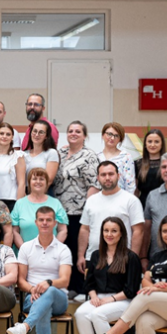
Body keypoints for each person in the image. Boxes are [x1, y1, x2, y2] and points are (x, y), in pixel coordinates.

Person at [7, 207, 72, 334]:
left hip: (58, 298)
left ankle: (25, 327)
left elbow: (64, 280)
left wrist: (48, 284)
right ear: (35, 222)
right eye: (41, 220)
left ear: (55, 223)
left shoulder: (63, 249)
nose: (45, 223)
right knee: (44, 307)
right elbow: (21, 281)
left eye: (48, 220)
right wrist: (32, 289)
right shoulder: (26, 248)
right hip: (33, 297)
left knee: (49, 292)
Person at [75, 218, 142, 334]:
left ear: (121, 234)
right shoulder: (96, 255)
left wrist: (109, 299)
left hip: (124, 301)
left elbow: (131, 289)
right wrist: (93, 297)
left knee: (98, 314)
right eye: (106, 230)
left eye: (114, 231)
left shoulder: (131, 257)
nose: (109, 234)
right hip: (99, 298)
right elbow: (89, 283)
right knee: (80, 313)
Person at [56, 121, 101, 296]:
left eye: (78, 131)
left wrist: (87, 210)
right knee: (61, 250)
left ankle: (77, 287)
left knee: (75, 249)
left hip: (78, 212)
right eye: (70, 131)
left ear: (84, 136)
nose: (73, 133)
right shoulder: (60, 153)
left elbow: (94, 184)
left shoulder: (89, 156)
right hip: (59, 211)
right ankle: (62, 284)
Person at [78, 162, 146, 278]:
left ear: (118, 176)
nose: (107, 178)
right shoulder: (91, 201)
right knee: (92, 289)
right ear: (98, 178)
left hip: (121, 258)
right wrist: (81, 255)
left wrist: (132, 258)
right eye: (103, 175)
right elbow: (85, 229)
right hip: (93, 258)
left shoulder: (131, 200)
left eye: (111, 174)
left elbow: (138, 231)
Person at [12, 168, 69, 249]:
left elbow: (63, 230)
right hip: (24, 253)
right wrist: (24, 250)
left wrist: (52, 248)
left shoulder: (55, 203)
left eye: (41, 179)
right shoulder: (20, 203)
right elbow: (14, 231)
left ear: (46, 183)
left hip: (51, 252)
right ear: (29, 182)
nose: (38, 182)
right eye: (34, 179)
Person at [0, 123, 26, 211]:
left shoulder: (18, 156)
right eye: (1, 133)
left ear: (12, 137)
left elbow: (21, 184)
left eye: (8, 134)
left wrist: (18, 207)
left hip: (11, 202)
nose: (4, 136)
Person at [98, 123, 137, 194]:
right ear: (103, 135)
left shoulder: (125, 157)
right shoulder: (96, 157)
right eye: (109, 134)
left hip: (120, 197)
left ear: (120, 139)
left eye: (116, 136)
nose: (112, 138)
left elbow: (130, 184)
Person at [23, 119, 60, 188]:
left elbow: (49, 180)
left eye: (41, 132)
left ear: (46, 136)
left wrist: (35, 193)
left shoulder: (51, 153)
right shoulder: (24, 154)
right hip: (25, 191)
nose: (37, 135)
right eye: (35, 131)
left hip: (43, 191)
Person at [136, 129, 166, 208]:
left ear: (162, 144)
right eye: (149, 141)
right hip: (143, 204)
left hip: (163, 203)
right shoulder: (138, 163)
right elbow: (135, 190)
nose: (153, 145)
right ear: (145, 144)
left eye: (156, 142)